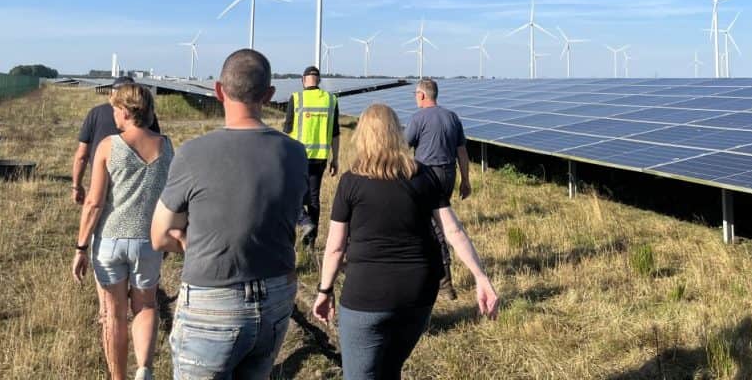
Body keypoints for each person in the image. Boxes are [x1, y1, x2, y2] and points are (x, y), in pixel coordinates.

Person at [152, 49, 308, 379]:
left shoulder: (194, 153)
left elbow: (160, 234)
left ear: (219, 90)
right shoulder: (295, 153)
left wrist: (192, 239)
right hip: (277, 295)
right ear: (269, 95)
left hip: (214, 301)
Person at [313, 103, 499, 380]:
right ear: (396, 134)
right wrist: (481, 277)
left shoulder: (351, 182)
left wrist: (324, 290)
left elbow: (336, 247)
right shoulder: (422, 175)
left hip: (365, 297)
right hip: (418, 295)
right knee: (390, 369)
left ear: (362, 135)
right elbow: (453, 231)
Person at [72, 82, 173, 380]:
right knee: (145, 305)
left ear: (126, 112)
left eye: (115, 108)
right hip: (149, 242)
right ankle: (144, 368)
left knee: (112, 315)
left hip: (110, 242)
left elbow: (93, 203)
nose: (112, 114)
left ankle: (118, 377)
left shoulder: (108, 147)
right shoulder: (166, 146)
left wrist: (80, 247)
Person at [404, 78, 471, 299]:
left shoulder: (418, 118)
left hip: (426, 175)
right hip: (448, 174)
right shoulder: (452, 117)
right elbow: (462, 152)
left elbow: (403, 149)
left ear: (422, 95)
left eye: (416, 93)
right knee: (439, 223)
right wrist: (466, 180)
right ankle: (435, 276)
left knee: (431, 227)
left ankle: (444, 283)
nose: (415, 97)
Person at [71, 76, 161, 206]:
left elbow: (82, 155)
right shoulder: (146, 116)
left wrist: (76, 186)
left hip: (101, 185)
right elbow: (156, 150)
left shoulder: (95, 113)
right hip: (136, 191)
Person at [282, 65, 340, 246]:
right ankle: (310, 243)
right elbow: (336, 133)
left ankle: (304, 222)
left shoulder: (297, 98)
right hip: (320, 157)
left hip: (297, 156)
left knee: (289, 194)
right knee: (314, 198)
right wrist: (335, 158)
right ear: (319, 80)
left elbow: (287, 130)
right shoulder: (331, 100)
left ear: (303, 80)